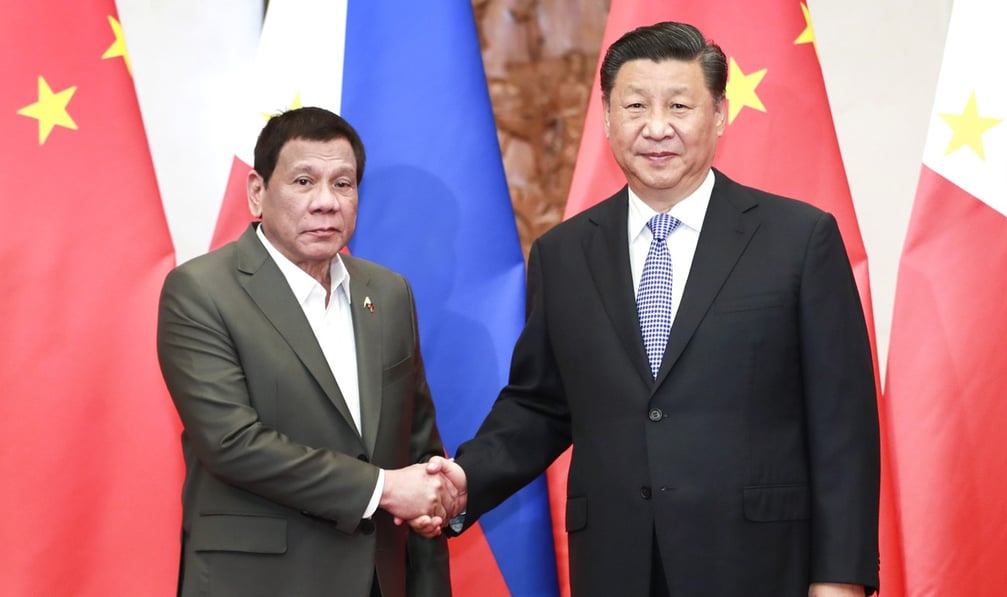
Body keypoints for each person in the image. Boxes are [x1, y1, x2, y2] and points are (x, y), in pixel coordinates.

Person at [426, 21, 880, 597]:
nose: (657, 127)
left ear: (717, 115)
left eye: (680, 105)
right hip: (617, 565)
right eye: (636, 105)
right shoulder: (563, 254)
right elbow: (540, 405)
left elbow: (843, 427)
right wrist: (464, 481)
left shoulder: (799, 238)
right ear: (609, 119)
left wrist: (840, 579)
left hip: (759, 567)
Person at [157, 106, 454, 597]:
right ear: (257, 192)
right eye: (302, 181)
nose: (326, 202)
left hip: (380, 579)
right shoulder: (200, 290)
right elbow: (232, 444)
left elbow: (417, 450)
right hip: (259, 581)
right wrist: (382, 489)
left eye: (343, 184)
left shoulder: (389, 291)